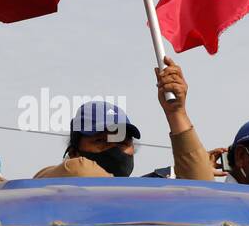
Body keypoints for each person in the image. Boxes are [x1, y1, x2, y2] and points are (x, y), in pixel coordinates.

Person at [34, 57, 212, 181]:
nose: (112, 147)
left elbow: (202, 187)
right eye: (100, 140)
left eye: (121, 141)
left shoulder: (148, 193)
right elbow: (76, 170)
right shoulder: (55, 186)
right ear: (74, 152)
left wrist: (176, 113)